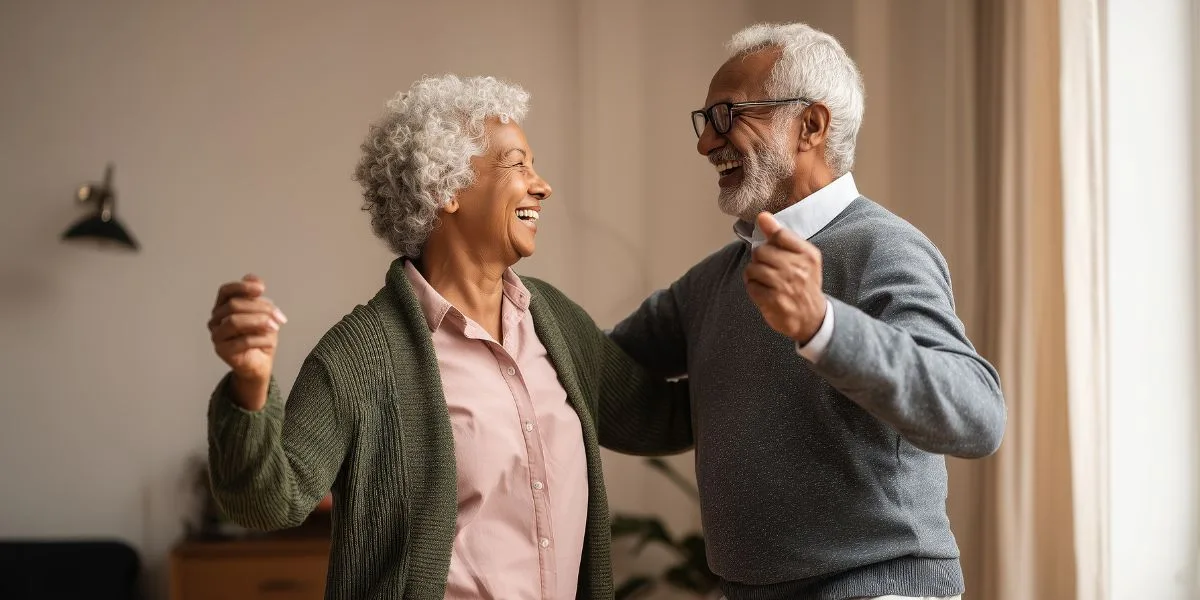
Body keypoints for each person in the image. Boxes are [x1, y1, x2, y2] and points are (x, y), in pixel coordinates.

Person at [204, 74, 690, 600]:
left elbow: (664, 417)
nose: (542, 185)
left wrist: (757, 315)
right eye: (517, 164)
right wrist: (250, 386)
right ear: (446, 189)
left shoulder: (556, 322)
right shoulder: (361, 355)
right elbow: (269, 502)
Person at [609, 22, 1006, 600]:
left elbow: (978, 415)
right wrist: (501, 297)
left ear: (811, 126)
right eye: (705, 121)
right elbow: (604, 368)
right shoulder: (713, 281)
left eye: (726, 116)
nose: (705, 143)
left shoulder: (883, 248)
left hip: (877, 588)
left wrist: (822, 325)